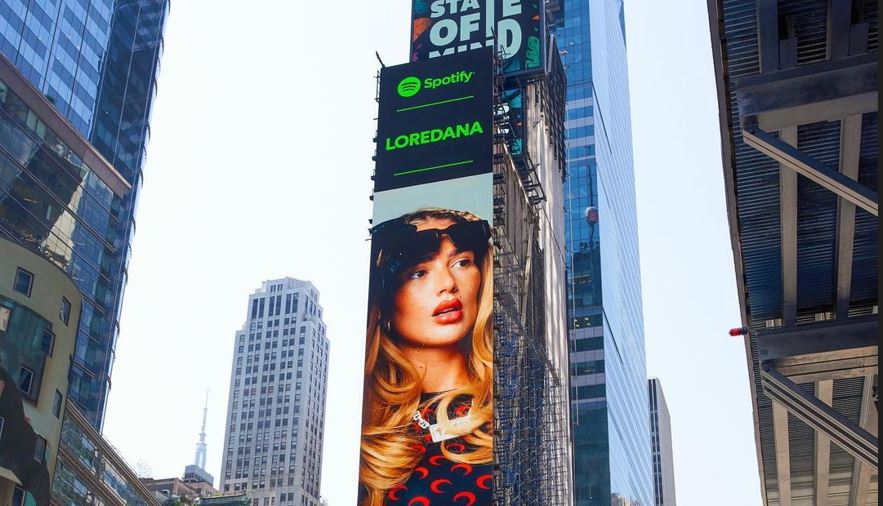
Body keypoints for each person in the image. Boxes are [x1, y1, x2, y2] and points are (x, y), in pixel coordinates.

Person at [359, 208, 494, 506]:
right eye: (419, 272)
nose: (447, 283)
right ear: (382, 301)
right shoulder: (364, 430)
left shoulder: (510, 405)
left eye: (461, 262)